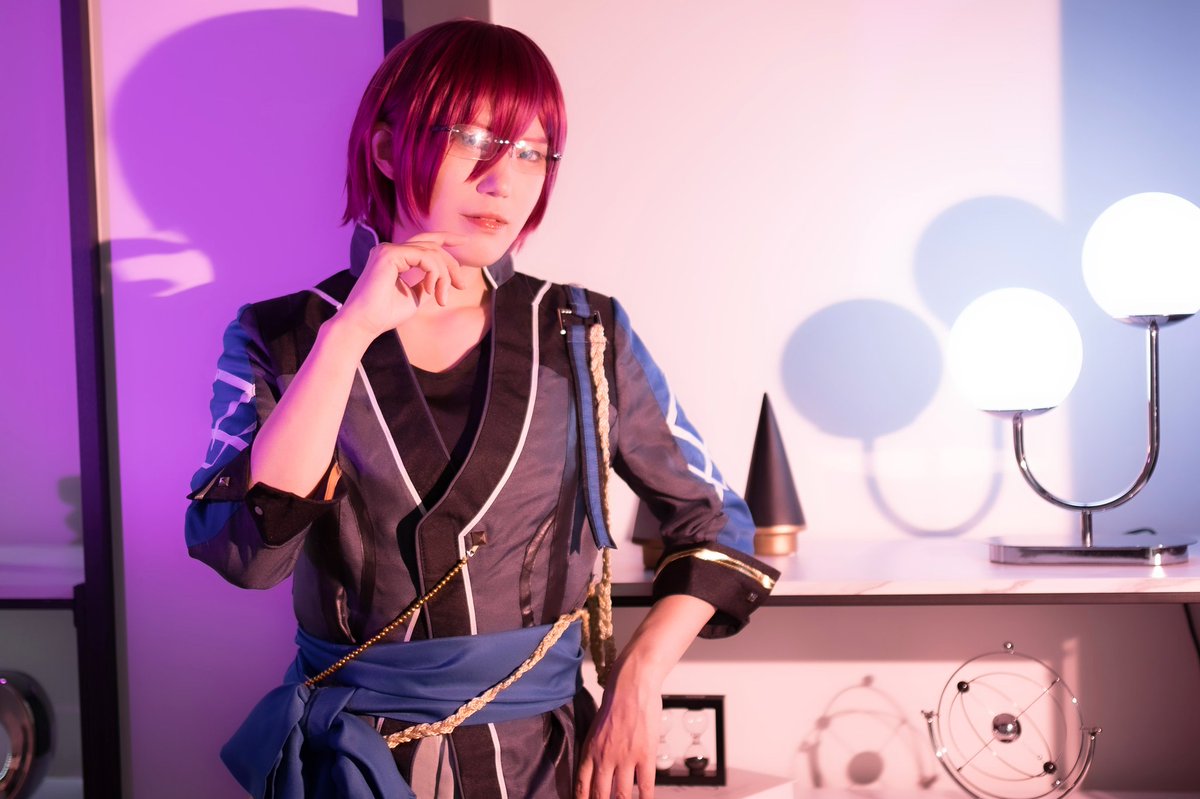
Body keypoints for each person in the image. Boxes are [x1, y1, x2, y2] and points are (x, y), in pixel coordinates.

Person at [185, 18, 779, 799]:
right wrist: (349, 333)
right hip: (355, 763)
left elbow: (716, 523)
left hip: (543, 761)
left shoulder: (583, 331)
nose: (505, 181)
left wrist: (638, 680)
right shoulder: (282, 336)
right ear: (388, 148)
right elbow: (248, 558)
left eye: (533, 152)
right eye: (473, 140)